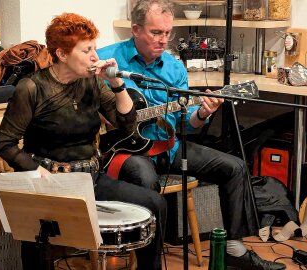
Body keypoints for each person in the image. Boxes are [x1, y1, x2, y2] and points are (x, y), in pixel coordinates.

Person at [97, 1, 286, 269]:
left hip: (167, 147)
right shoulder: (108, 59)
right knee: (144, 177)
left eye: (168, 33)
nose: (163, 40)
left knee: (235, 167)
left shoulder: (174, 68)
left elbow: (185, 123)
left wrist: (203, 113)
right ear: (136, 29)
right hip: (124, 150)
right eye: (156, 33)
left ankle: (233, 249)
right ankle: (148, 262)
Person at [0, 13, 166, 270]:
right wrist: (34, 170)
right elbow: (4, 144)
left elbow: (126, 124)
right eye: (87, 50)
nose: (95, 56)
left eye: (94, 48)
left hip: (90, 179)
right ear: (63, 54)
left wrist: (117, 84)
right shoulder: (31, 88)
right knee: (37, 235)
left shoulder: (93, 83)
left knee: (156, 204)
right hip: (49, 182)